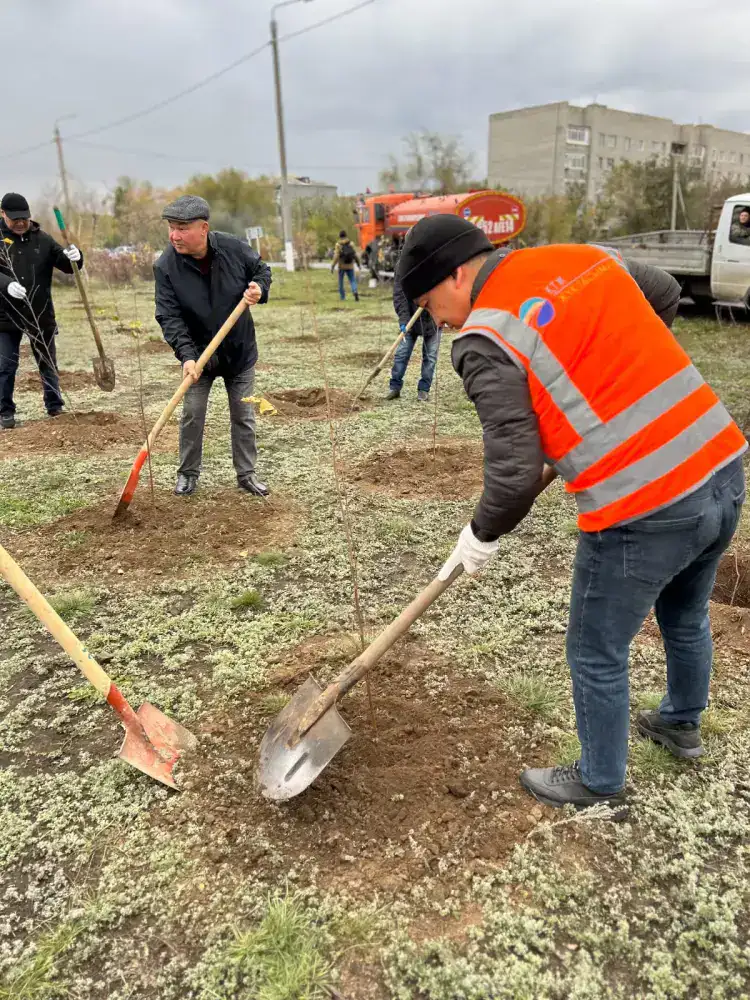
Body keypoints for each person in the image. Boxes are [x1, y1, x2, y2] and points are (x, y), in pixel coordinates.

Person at [396, 215, 746, 810]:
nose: (440, 321)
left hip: (642, 502)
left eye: (430, 304)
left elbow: (511, 475)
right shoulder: (574, 257)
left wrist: (480, 535)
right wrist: (614, 367)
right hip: (721, 463)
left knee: (594, 649)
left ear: (457, 273)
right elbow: (660, 290)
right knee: (684, 612)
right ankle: (681, 723)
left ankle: (600, 779)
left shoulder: (484, 339)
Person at [154, 195, 272, 497]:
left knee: (243, 414)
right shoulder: (166, 266)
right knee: (192, 413)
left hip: (239, 351)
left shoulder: (233, 249)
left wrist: (259, 287)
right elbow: (169, 315)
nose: (174, 235)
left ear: (204, 228)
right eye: (171, 227)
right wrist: (187, 356)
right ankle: (187, 473)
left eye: (182, 228)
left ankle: (246, 474)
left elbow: (262, 269)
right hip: (198, 357)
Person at [0, 192, 83, 429]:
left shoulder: (42, 239)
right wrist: (6, 284)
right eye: (14, 218)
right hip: (5, 315)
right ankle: (5, 411)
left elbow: (67, 266)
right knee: (5, 365)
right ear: (2, 214)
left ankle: (54, 405)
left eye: (24, 218)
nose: (20, 223)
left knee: (47, 360)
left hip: (40, 312)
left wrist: (76, 258)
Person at [388, 272, 440, 402]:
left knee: (430, 357)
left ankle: (423, 390)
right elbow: (400, 294)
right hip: (411, 318)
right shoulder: (404, 263)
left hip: (433, 319)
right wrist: (404, 319)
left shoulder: (438, 259)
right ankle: (394, 387)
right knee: (402, 354)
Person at [331, 230, 360, 301]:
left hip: (342, 266)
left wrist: (332, 266)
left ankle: (342, 297)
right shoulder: (351, 244)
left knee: (341, 282)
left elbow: (336, 256)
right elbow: (355, 255)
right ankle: (355, 291)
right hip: (350, 265)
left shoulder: (338, 245)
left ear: (340, 236)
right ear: (346, 235)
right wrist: (358, 263)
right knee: (352, 280)